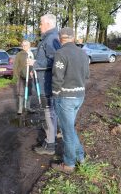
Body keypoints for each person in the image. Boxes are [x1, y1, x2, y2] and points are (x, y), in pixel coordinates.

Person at [51, 28, 89, 174]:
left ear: (61, 39)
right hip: (80, 96)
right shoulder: (83, 53)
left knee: (67, 131)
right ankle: (80, 156)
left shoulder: (61, 53)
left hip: (65, 97)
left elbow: (57, 77)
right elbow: (86, 75)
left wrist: (55, 94)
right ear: (73, 38)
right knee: (70, 129)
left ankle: (69, 164)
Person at [27, 14, 61, 155]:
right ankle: (53, 136)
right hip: (44, 80)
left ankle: (50, 144)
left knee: (48, 112)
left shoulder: (52, 39)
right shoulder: (50, 38)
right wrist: (35, 69)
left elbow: (56, 62)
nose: (39, 26)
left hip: (47, 83)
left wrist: (35, 64)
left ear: (47, 24)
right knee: (50, 112)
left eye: (41, 23)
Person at [13, 40, 35, 115]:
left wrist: (34, 72)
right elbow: (15, 65)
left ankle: (28, 107)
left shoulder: (32, 53)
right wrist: (16, 75)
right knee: (21, 93)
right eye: (23, 45)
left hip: (30, 76)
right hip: (21, 77)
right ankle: (20, 109)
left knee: (29, 92)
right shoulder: (19, 54)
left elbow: (35, 64)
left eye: (26, 45)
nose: (24, 46)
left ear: (29, 45)